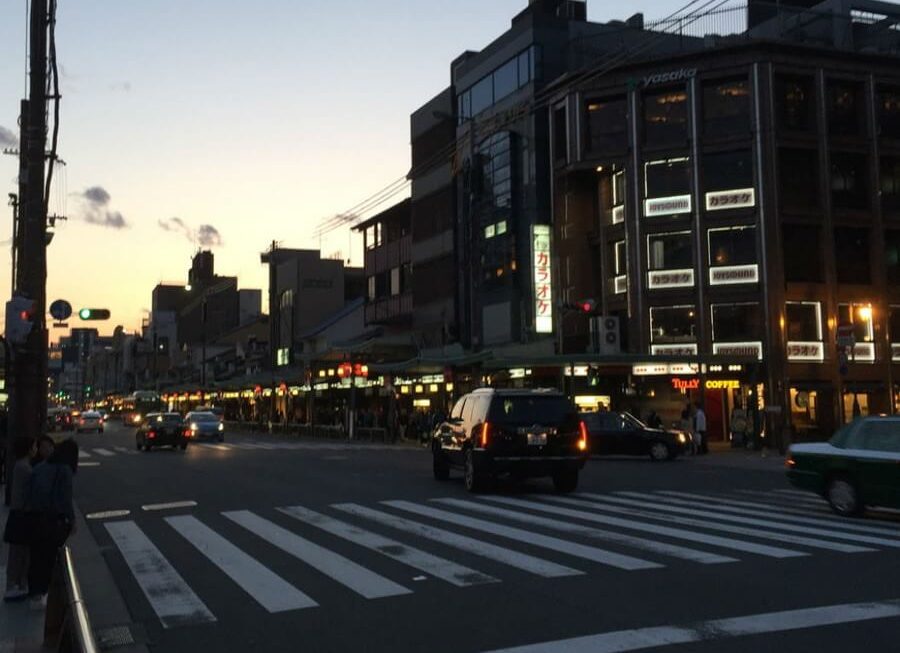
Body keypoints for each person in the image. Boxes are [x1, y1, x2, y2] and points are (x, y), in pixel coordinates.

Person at [25, 438, 79, 607]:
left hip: (34, 517)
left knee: (36, 556)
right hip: (53, 518)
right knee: (49, 557)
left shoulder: (40, 467)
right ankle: (45, 593)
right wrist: (72, 520)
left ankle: (34, 592)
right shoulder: (64, 470)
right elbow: (65, 499)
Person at [3, 437, 36, 601]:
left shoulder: (19, 466)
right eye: (34, 446)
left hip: (18, 513)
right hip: (22, 514)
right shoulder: (25, 468)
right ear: (29, 449)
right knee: (20, 552)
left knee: (19, 552)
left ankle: (17, 583)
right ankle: (14, 585)